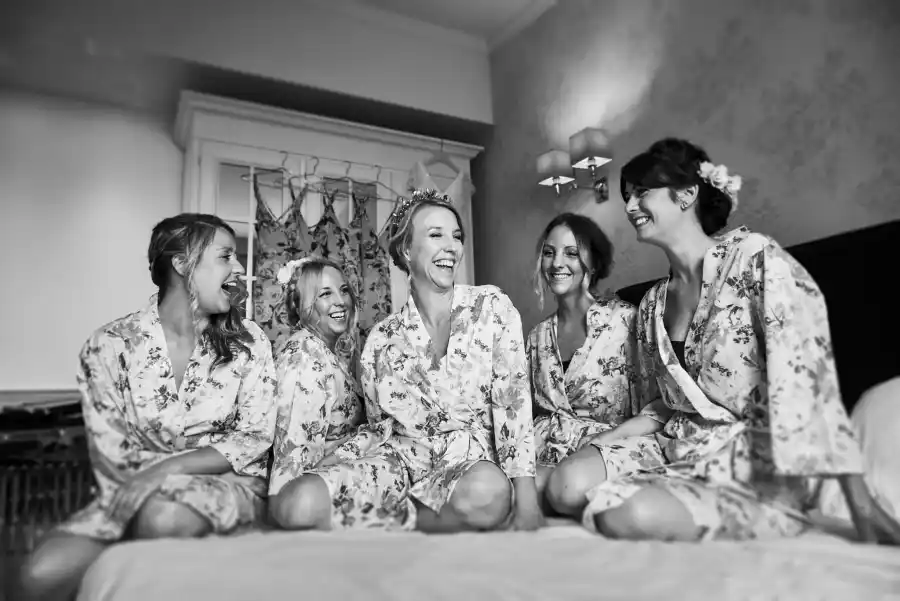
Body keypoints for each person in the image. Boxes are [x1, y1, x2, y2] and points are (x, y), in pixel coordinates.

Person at [580, 138, 867, 542]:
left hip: (754, 462)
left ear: (686, 194)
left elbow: (806, 377)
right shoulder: (651, 304)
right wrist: (608, 437)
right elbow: (663, 403)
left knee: (626, 514)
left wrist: (859, 500)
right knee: (566, 487)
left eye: (642, 192)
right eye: (627, 196)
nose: (629, 207)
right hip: (679, 446)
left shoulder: (754, 258)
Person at [18, 213, 277, 601]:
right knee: (39, 576)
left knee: (163, 518)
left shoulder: (250, 341)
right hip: (131, 490)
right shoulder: (108, 346)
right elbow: (114, 455)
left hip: (230, 486)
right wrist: (152, 482)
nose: (239, 268)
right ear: (183, 264)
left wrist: (169, 470)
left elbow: (253, 438)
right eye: (226, 256)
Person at [351, 188, 543, 533]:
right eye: (436, 234)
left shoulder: (492, 307)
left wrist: (527, 502)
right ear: (406, 249)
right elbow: (378, 427)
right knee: (301, 502)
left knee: (488, 493)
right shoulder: (381, 339)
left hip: (470, 471)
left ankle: (392, 523)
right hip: (402, 465)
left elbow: (513, 406)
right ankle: (385, 512)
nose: (452, 246)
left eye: (456, 236)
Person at [526, 213, 665, 518]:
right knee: (513, 494)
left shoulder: (626, 321)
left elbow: (659, 406)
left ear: (594, 262)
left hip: (609, 447)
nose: (557, 263)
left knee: (563, 489)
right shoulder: (537, 336)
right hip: (547, 449)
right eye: (549, 253)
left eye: (571, 253)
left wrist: (604, 440)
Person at [267, 257, 411, 530]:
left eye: (343, 290)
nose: (340, 301)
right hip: (307, 498)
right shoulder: (304, 358)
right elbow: (295, 459)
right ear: (299, 305)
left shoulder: (324, 351)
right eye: (325, 294)